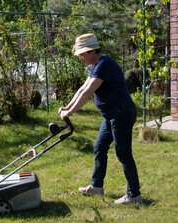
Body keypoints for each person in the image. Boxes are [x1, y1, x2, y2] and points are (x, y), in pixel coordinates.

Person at [59, 33, 142, 204]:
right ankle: (96, 187)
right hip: (112, 114)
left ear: (91, 51)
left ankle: (134, 195)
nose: (80, 58)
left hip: (121, 114)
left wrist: (70, 112)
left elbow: (89, 92)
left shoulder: (104, 64)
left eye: (82, 54)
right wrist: (67, 107)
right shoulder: (97, 64)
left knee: (123, 153)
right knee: (99, 147)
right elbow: (83, 89)